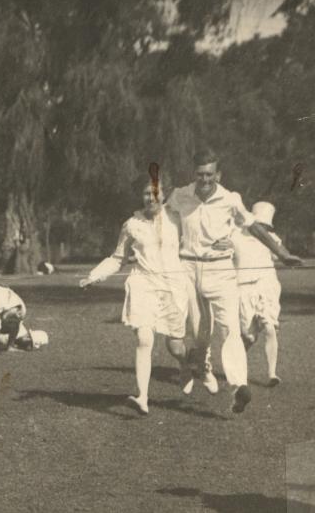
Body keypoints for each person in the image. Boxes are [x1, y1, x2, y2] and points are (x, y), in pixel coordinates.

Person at [167, 148, 301, 413]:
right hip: (189, 269)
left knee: (229, 330)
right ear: (194, 174)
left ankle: (239, 386)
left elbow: (254, 226)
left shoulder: (230, 199)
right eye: (200, 175)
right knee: (198, 332)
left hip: (221, 271)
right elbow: (163, 220)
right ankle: (202, 364)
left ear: (218, 174)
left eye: (210, 174)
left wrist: (282, 254)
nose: (205, 180)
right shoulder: (180, 195)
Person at [79, 179, 192, 415]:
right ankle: (142, 397)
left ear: (164, 195)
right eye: (145, 194)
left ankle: (185, 366)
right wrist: (94, 276)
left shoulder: (176, 219)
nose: (149, 198)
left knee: (175, 346)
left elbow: (196, 241)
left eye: (154, 193)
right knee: (144, 338)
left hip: (172, 287)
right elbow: (117, 257)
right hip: (142, 283)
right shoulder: (131, 224)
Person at [232, 202, 284, 387]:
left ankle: (272, 373)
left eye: (265, 226)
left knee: (269, 327)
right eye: (258, 224)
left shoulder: (271, 238)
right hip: (243, 287)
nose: (261, 229)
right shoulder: (235, 236)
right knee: (247, 336)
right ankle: (235, 366)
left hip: (266, 284)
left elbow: (280, 255)